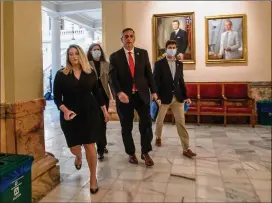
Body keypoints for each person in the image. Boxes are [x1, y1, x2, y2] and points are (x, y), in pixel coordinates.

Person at [53, 44, 109, 194]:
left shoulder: (90, 72)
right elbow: (57, 98)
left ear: (81, 55)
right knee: (74, 147)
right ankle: (78, 157)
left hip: (89, 113)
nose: (73, 56)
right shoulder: (61, 74)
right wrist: (64, 110)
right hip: (70, 115)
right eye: (70, 54)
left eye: (76, 53)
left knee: (90, 145)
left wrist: (104, 110)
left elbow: (97, 93)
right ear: (68, 57)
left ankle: (92, 178)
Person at [109, 28, 158, 167]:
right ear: (122, 39)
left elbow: (149, 74)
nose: (129, 39)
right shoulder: (115, 56)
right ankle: (131, 153)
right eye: (126, 37)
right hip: (125, 97)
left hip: (142, 95)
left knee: (146, 124)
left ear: (134, 38)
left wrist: (153, 91)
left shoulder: (142, 53)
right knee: (126, 126)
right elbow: (113, 79)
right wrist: (119, 93)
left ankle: (145, 152)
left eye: (131, 36)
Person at [153, 40, 196, 158]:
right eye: (170, 47)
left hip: (177, 97)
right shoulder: (159, 64)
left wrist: (186, 96)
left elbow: (181, 81)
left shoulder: (179, 64)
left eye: (174, 47)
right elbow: (155, 82)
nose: (172, 49)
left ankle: (186, 148)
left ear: (176, 49)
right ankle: (158, 136)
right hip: (163, 97)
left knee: (181, 122)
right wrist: (156, 96)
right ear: (166, 49)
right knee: (160, 120)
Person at [87, 43, 113, 161]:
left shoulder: (107, 64)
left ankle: (102, 143)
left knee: (103, 121)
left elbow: (111, 81)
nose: (97, 51)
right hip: (92, 97)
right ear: (90, 52)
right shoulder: (86, 65)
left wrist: (115, 96)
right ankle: (100, 148)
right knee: (95, 122)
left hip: (104, 96)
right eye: (94, 49)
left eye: (98, 49)